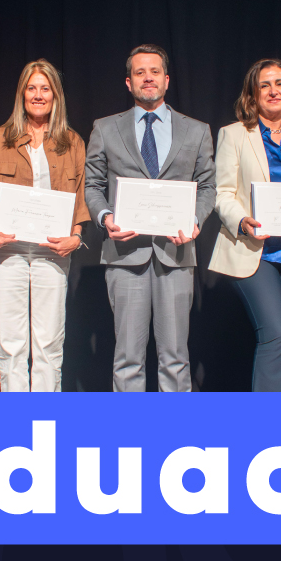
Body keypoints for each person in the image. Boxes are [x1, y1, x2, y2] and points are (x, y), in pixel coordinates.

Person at [84, 44, 215, 392]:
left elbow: (208, 187)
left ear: (167, 80)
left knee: (175, 356)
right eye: (139, 72)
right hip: (125, 254)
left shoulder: (197, 130)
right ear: (129, 82)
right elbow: (93, 185)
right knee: (128, 357)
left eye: (154, 71)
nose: (148, 78)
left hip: (176, 252)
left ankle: (174, 427)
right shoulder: (105, 128)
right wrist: (105, 217)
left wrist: (195, 222)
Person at [0, 60, 88, 392]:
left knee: (49, 343)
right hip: (7, 251)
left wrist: (76, 237)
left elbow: (81, 194)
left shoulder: (72, 142)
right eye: (31, 88)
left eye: (45, 89)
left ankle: (44, 416)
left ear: (55, 95)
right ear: (22, 94)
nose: (38, 95)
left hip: (53, 251)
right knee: (11, 344)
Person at [210, 59, 281, 391]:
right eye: (264, 85)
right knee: (277, 333)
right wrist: (241, 221)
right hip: (254, 251)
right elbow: (222, 192)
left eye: (279, 84)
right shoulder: (234, 135)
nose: (273, 91)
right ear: (253, 94)